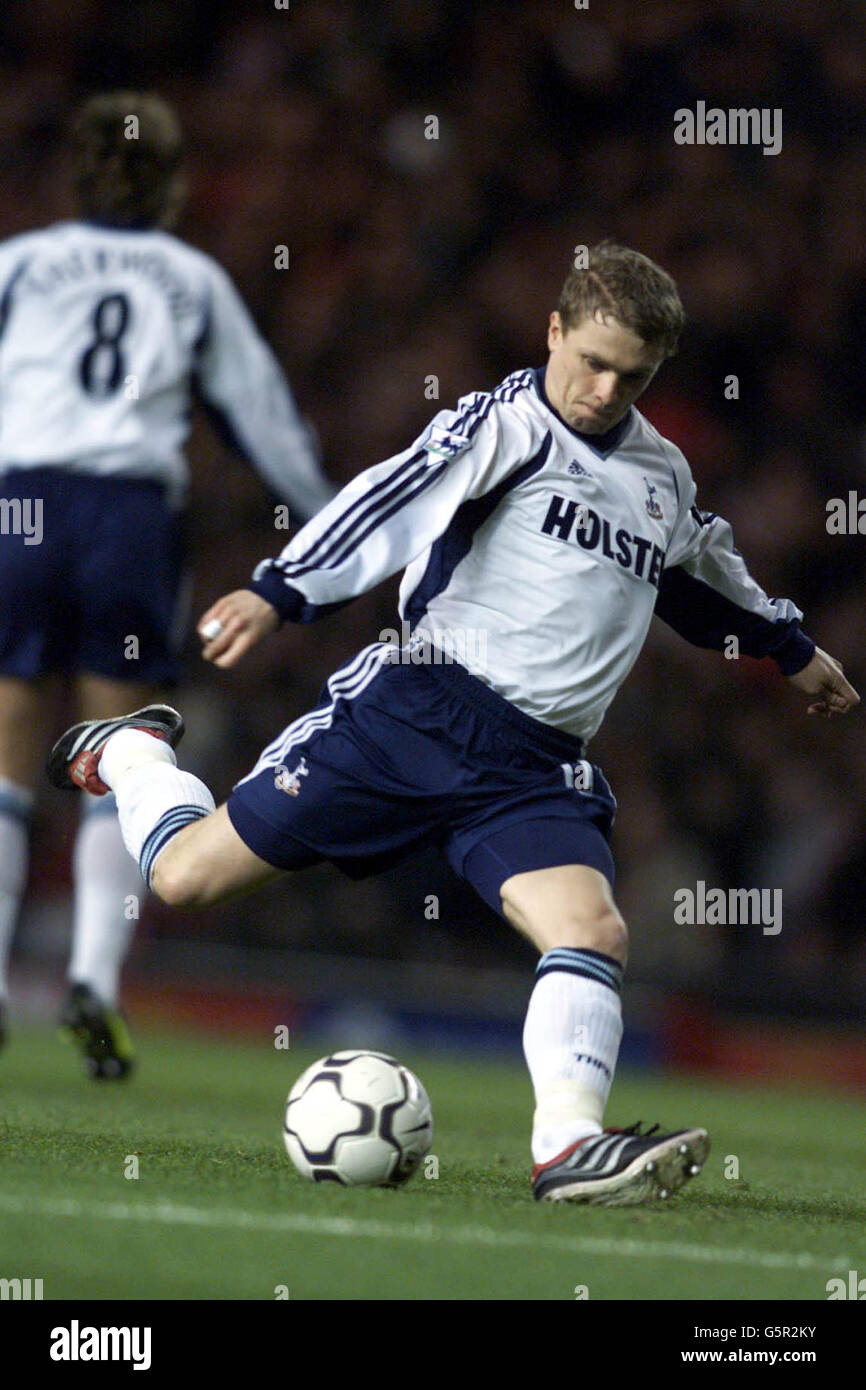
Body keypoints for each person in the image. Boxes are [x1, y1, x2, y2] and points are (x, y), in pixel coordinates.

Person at [47, 241, 858, 1201]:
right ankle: (137, 752)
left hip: (534, 768)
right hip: (413, 717)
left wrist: (790, 648)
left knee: (592, 931)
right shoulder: (501, 425)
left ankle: (565, 1148)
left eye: (629, 376)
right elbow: (386, 500)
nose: (602, 389)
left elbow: (702, 574)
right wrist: (280, 592)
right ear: (553, 331)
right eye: (590, 361)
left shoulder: (660, 476)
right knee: (185, 879)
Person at [0, 92, 334, 1078]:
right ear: (173, 179)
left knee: (7, 757)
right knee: (123, 749)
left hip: (18, 507)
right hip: (127, 523)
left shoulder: (19, 264)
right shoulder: (191, 279)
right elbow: (264, 422)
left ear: (78, 172)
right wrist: (337, 523)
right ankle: (96, 979)